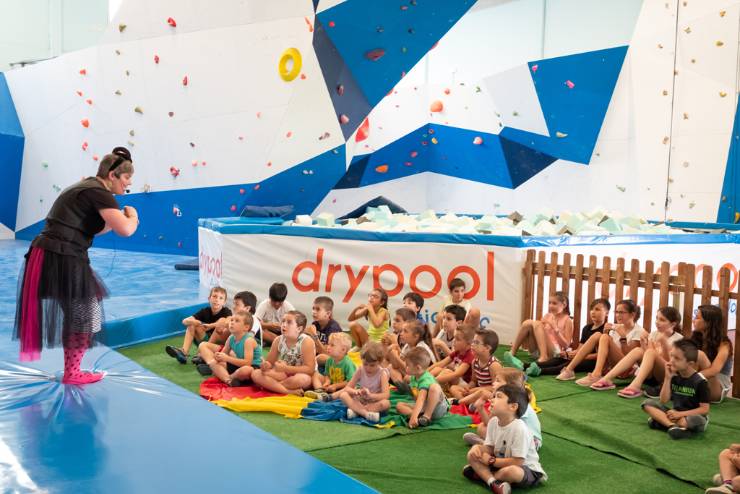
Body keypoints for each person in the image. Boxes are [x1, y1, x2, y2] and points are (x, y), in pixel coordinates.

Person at [14, 147, 138, 385]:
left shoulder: (83, 187)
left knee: (81, 313)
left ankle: (73, 369)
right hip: (63, 255)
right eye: (126, 177)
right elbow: (126, 229)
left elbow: (91, 228)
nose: (128, 184)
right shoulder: (99, 192)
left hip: (49, 252)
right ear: (112, 175)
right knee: (86, 314)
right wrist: (133, 217)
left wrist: (119, 219)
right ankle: (73, 372)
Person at [463, 384, 547, 493]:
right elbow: (490, 448)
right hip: (501, 463)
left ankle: (484, 475)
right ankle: (493, 483)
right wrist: (478, 448)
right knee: (471, 455)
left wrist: (491, 461)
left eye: (498, 396)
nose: (491, 399)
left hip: (525, 469)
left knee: (512, 472)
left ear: (513, 407)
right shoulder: (493, 422)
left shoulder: (519, 428)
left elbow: (518, 461)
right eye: (494, 396)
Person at [590, 306, 683, 396]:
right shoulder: (654, 334)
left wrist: (664, 343)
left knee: (650, 352)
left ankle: (635, 386)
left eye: (662, 320)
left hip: (667, 376)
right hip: (651, 375)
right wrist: (644, 344)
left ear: (673, 324)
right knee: (638, 350)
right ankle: (607, 379)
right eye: (657, 318)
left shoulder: (679, 340)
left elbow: (671, 365)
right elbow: (649, 355)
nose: (657, 322)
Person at [641, 340, 710, 439]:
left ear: (690, 364)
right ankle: (672, 426)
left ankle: (664, 423)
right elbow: (663, 400)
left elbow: (704, 410)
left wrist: (680, 414)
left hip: (693, 416)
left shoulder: (700, 382)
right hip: (675, 414)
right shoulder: (674, 376)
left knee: (689, 420)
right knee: (647, 404)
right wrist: (667, 378)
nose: (672, 360)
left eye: (677, 358)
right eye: (671, 356)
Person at [569, 300, 646, 386]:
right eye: (616, 312)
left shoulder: (639, 331)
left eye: (621, 312)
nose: (618, 315)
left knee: (604, 337)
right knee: (598, 335)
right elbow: (606, 352)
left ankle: (596, 374)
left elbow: (630, 357)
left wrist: (623, 338)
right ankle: (569, 370)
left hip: (627, 370)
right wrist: (605, 333)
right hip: (611, 367)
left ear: (632, 314)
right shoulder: (615, 327)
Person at [463, 369, 542, 451]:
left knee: (487, 430)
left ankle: (490, 446)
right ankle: (492, 445)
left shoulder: (514, 402)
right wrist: (480, 408)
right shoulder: (503, 400)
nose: (493, 383)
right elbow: (489, 423)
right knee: (481, 427)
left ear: (509, 386)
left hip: (531, 441)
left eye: (498, 381)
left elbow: (513, 427)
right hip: (513, 435)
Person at [536, 298, 610, 376]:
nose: (593, 312)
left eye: (597, 309)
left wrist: (581, 356)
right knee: (559, 359)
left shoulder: (606, 329)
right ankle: (529, 366)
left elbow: (602, 355)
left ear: (607, 313)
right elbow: (580, 349)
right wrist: (569, 354)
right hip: (581, 357)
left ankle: (541, 371)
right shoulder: (586, 328)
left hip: (593, 362)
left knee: (569, 364)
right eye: (591, 309)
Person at [251, 311, 315, 396]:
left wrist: (286, 368)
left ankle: (272, 386)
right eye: (283, 321)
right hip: (283, 374)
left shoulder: (306, 341)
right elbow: (269, 362)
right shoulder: (278, 340)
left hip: (299, 375)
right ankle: (287, 391)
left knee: (303, 379)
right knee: (256, 373)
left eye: (289, 322)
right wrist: (265, 365)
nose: (284, 325)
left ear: (299, 329)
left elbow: (310, 369)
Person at [504, 292, 573, 370]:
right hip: (538, 351)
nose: (550, 306)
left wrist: (555, 328)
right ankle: (513, 352)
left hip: (555, 354)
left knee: (537, 324)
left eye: (554, 303)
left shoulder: (567, 320)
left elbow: (566, 345)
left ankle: (544, 356)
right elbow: (538, 332)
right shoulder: (548, 316)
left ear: (564, 305)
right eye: (549, 303)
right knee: (527, 323)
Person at [166, 287, 231, 364]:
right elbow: (184, 321)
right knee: (191, 324)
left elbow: (227, 322)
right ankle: (184, 352)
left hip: (217, 343)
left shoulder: (226, 311)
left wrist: (211, 325)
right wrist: (196, 322)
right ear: (209, 299)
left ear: (224, 302)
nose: (217, 300)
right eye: (214, 296)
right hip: (205, 339)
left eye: (221, 298)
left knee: (222, 321)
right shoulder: (205, 311)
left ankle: (202, 353)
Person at [198, 310, 261, 386]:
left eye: (237, 321)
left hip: (252, 367)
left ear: (246, 327)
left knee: (246, 370)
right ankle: (229, 381)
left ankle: (228, 377)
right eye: (231, 320)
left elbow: (247, 363)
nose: (232, 323)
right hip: (237, 365)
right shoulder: (231, 338)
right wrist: (217, 357)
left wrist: (227, 358)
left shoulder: (248, 340)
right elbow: (223, 354)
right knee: (214, 363)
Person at [396, 347, 450, 428]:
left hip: (437, 409)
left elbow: (421, 399)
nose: (406, 367)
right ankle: (418, 418)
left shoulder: (426, 379)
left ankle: (426, 417)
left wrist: (414, 415)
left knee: (434, 387)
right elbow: (418, 398)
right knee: (399, 405)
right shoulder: (414, 377)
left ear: (418, 367)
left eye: (408, 365)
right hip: (424, 406)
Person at [338, 342, 391, 423]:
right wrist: (356, 391)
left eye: (372, 365)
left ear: (380, 362)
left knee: (386, 403)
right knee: (343, 395)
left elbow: (386, 395)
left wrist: (371, 396)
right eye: (365, 364)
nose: (368, 368)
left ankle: (356, 411)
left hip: (374, 402)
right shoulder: (360, 370)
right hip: (360, 400)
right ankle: (366, 414)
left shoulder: (382, 373)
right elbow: (347, 388)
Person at [692, 305, 734, 403]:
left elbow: (714, 370)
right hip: (699, 380)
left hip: (717, 386)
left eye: (697, 318)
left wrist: (689, 379)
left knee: (699, 355)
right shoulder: (696, 338)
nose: (694, 320)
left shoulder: (724, 344)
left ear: (709, 322)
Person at [455, 328, 502, 408]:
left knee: (481, 392)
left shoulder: (494, 365)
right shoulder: (475, 362)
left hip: (490, 395)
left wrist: (476, 390)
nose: (472, 344)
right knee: (454, 388)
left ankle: (461, 402)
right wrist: (468, 387)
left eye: (476, 342)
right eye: (473, 341)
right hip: (477, 391)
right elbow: (474, 381)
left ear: (487, 348)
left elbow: (496, 388)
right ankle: (469, 403)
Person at [387, 319, 437, 392]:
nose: (401, 334)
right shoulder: (407, 345)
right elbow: (396, 366)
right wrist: (392, 352)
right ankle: (402, 387)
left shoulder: (420, 347)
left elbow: (409, 368)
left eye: (405, 331)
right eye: (402, 331)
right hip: (413, 373)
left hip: (424, 376)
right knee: (391, 367)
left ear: (416, 336)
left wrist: (395, 356)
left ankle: (406, 389)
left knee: (406, 377)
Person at [306, 332, 355, 400]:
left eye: (332, 345)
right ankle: (320, 391)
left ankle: (327, 396)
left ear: (343, 350)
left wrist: (336, 386)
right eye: (328, 344)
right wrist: (327, 382)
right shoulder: (329, 360)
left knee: (348, 390)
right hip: (332, 383)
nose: (328, 347)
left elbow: (351, 381)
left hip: (343, 387)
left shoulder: (347, 363)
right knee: (315, 374)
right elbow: (327, 375)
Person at [429, 324, 476, 395]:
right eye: (454, 337)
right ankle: (422, 381)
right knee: (437, 369)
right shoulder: (458, 352)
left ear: (469, 344)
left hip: (465, 385)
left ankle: (428, 386)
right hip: (456, 380)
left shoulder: (470, 355)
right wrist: (424, 373)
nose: (454, 341)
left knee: (447, 371)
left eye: (458, 339)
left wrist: (433, 380)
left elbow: (457, 374)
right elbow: (441, 363)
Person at [305, 296, 343, 366]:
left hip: (333, 357)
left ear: (328, 314)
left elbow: (325, 353)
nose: (314, 312)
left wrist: (314, 336)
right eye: (313, 308)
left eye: (318, 309)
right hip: (320, 354)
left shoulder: (333, 328)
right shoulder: (315, 324)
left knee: (321, 358)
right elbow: (313, 347)